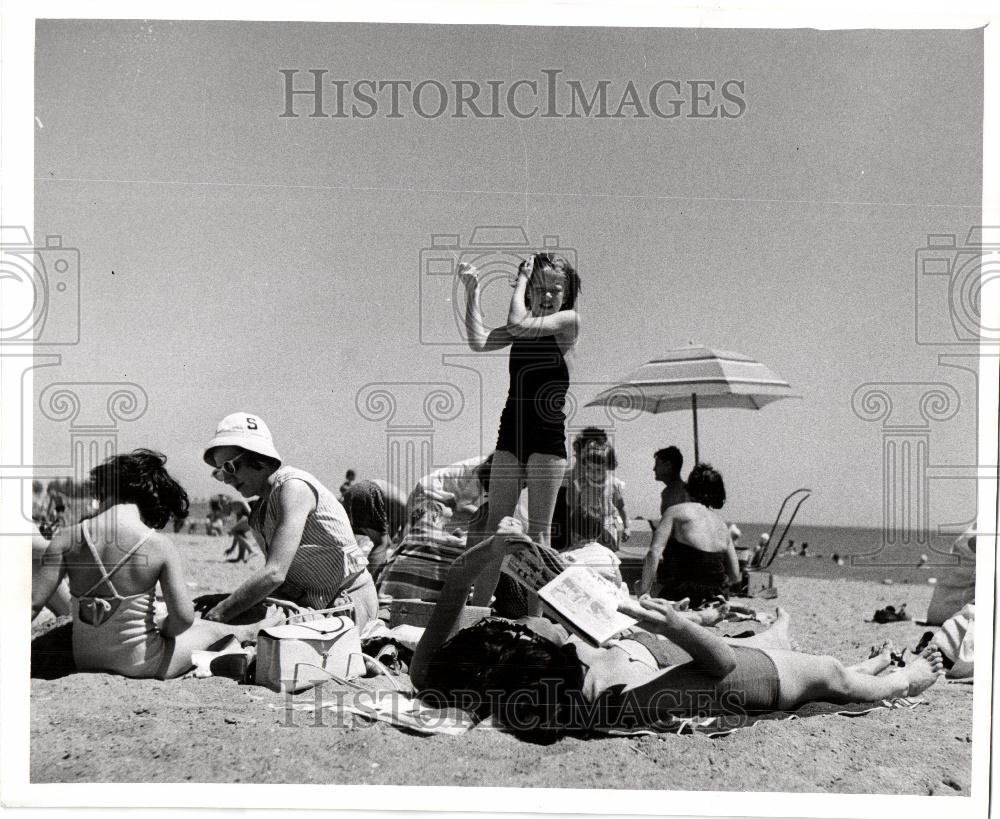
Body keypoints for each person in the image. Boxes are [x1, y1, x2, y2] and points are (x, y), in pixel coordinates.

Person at [409, 528, 943, 735]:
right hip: (712, 676)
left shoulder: (441, 672)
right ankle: (901, 679)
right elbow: (719, 667)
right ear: (564, 667)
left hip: (660, 660)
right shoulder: (616, 701)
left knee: (761, 643)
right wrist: (681, 626)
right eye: (548, 633)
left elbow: (454, 584)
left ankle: (800, 643)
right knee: (829, 676)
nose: (549, 625)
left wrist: (502, 547)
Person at [31, 449, 282, 679]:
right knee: (204, 629)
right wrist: (166, 630)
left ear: (108, 489)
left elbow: (32, 605)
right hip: (142, 664)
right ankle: (251, 632)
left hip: (83, 659)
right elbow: (183, 618)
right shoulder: (158, 545)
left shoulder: (67, 537)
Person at [457, 252, 581, 607]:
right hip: (511, 431)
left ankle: (537, 618)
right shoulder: (522, 324)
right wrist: (474, 293)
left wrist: (524, 279)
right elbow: (478, 341)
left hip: (546, 434)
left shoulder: (568, 321)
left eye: (555, 289)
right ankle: (479, 611)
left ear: (566, 293)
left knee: (540, 532)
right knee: (497, 526)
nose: (547, 296)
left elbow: (517, 325)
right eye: (540, 288)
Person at [200, 412, 378, 630]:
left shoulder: (293, 488)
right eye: (219, 472)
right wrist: (222, 602)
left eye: (229, 467)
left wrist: (217, 616)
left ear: (257, 457)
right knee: (214, 611)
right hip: (313, 606)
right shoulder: (262, 510)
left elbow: (275, 573)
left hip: (347, 607)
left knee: (221, 627)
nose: (226, 478)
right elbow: (281, 584)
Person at [639, 463, 740, 606]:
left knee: (639, 585)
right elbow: (735, 575)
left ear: (688, 488)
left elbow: (653, 552)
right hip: (717, 597)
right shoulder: (722, 525)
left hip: (681, 594)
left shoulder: (674, 512)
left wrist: (645, 592)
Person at [567, 428, 630, 550]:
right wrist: (575, 528)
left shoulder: (614, 484)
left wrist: (626, 526)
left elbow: (621, 507)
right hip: (585, 527)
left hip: (608, 525)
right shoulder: (580, 483)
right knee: (583, 554)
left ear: (608, 466)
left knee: (608, 556)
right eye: (590, 469)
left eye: (598, 470)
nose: (594, 474)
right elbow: (573, 507)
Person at [404, 454, 493, 534]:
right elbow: (463, 506)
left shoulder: (488, 464)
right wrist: (493, 518)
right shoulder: (485, 470)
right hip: (428, 498)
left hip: (437, 500)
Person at [341, 478, 407, 578]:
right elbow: (404, 543)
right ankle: (369, 583)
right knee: (382, 543)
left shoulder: (394, 510)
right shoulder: (409, 511)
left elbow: (390, 535)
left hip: (352, 493)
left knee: (345, 540)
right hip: (370, 492)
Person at [654, 446, 689, 514]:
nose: (654, 469)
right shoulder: (681, 490)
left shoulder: (675, 493)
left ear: (668, 466)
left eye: (657, 464)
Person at [223, 499, 256, 563]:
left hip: (255, 516)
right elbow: (237, 535)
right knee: (238, 532)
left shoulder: (233, 504)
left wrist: (251, 515)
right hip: (254, 516)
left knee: (233, 531)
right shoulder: (236, 511)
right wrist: (232, 548)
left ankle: (251, 550)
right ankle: (241, 557)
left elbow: (242, 501)